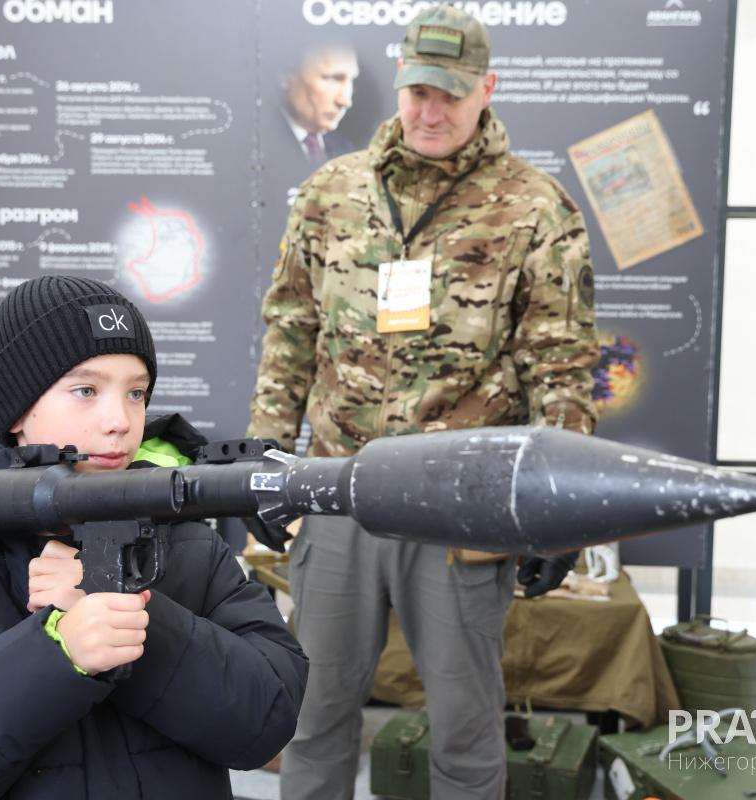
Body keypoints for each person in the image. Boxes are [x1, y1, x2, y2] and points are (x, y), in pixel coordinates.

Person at [247, 6, 598, 798]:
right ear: (398, 83)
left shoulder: (536, 209)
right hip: (337, 490)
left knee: (466, 727)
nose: (431, 112)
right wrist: (267, 451)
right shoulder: (330, 194)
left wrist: (562, 507)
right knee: (315, 714)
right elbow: (292, 329)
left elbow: (561, 366)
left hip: (459, 506)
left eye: (451, 93)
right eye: (417, 92)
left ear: (487, 90)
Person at [0, 275, 308, 798]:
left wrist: (138, 624)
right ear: (17, 413)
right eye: (85, 390)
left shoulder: (193, 549)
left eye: (136, 392)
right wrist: (56, 654)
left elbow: (267, 720)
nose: (119, 421)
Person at [281, 44, 359, 165]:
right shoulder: (255, 146)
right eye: (335, 78)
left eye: (352, 81)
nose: (346, 102)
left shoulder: (345, 150)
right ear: (286, 76)